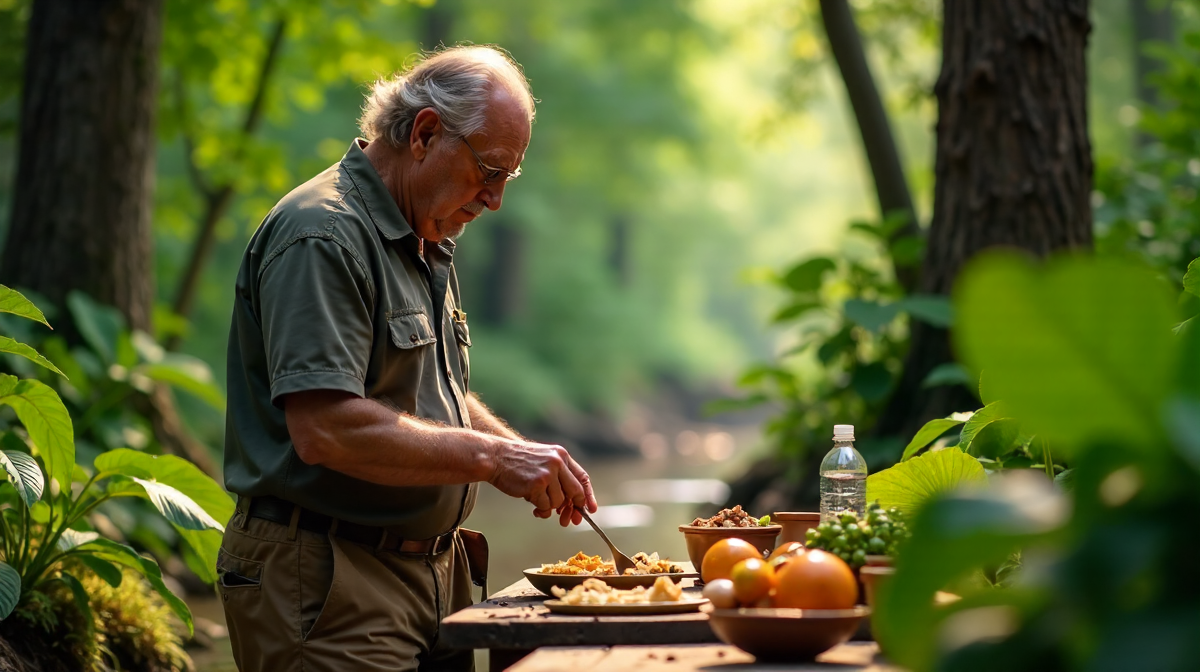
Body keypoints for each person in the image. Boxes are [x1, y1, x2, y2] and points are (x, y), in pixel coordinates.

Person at [216, 45, 597, 672]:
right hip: (329, 580)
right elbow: (327, 428)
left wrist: (519, 454)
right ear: (424, 134)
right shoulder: (322, 234)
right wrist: (496, 458)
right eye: (490, 171)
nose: (496, 199)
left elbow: (429, 390)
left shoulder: (423, 232)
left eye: (508, 178)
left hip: (432, 578)